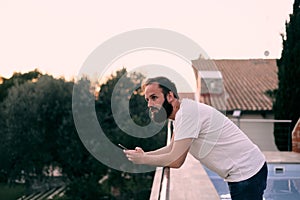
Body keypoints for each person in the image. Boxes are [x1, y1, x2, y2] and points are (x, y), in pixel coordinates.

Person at [124, 76, 268, 200]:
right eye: (147, 99)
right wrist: (144, 154)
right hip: (247, 171)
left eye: (154, 97)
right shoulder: (181, 115)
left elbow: (176, 160)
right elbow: (171, 148)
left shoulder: (187, 114)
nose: (149, 104)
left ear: (170, 96)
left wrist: (143, 160)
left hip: (247, 173)